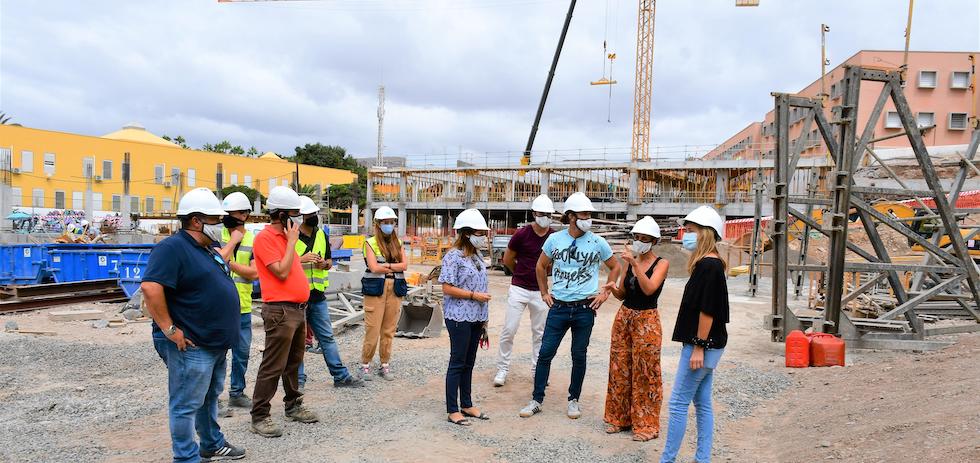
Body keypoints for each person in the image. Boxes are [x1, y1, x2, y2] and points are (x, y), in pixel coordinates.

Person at [142, 187, 246, 462]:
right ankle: (186, 457)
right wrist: (170, 330)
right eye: (215, 219)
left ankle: (211, 443)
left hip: (214, 342)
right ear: (197, 220)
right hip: (192, 344)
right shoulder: (172, 248)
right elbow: (151, 288)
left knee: (209, 398)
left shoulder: (207, 248)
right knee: (186, 404)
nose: (220, 224)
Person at [519, 192, 621, 420]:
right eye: (585, 214)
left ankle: (573, 400)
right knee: (545, 353)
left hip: (585, 308)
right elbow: (540, 266)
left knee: (579, 355)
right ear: (572, 216)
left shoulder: (597, 242)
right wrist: (544, 292)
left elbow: (615, 267)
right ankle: (537, 399)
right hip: (559, 307)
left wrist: (605, 292)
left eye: (589, 214)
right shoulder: (555, 240)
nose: (589, 218)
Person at [660, 206, 730, 463]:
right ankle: (703, 459)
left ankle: (667, 460)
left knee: (678, 403)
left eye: (690, 231)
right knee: (702, 403)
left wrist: (699, 345)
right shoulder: (710, 264)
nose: (686, 236)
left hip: (702, 345)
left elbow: (707, 310)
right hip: (708, 344)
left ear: (705, 234)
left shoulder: (708, 266)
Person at [249, 186, 319, 438]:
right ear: (281, 215)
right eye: (294, 214)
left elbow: (291, 266)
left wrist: (291, 243)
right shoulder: (265, 239)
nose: (299, 218)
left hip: (297, 309)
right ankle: (260, 415)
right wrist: (291, 243)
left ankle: (293, 405)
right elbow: (280, 270)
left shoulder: (286, 239)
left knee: (293, 363)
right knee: (273, 365)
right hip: (280, 310)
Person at [604, 216, 669, 442]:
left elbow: (650, 289)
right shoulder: (628, 262)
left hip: (647, 320)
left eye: (644, 239)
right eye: (637, 238)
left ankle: (646, 425)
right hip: (625, 317)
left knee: (646, 372)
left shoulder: (661, 263)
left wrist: (634, 264)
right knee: (620, 367)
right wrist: (612, 288)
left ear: (654, 241)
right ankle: (618, 418)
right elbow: (623, 293)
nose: (639, 242)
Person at [295, 196, 365, 389]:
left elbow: (328, 262)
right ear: (300, 216)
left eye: (314, 214)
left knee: (326, 337)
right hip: (298, 297)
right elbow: (284, 265)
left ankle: (340, 376)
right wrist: (302, 259)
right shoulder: (291, 238)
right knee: (298, 342)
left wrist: (323, 264)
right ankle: (298, 381)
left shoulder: (320, 235)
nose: (313, 217)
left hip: (317, 296)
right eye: (309, 214)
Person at [439, 209, 493, 426]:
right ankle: (452, 409)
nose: (484, 237)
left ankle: (467, 404)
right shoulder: (453, 256)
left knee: (469, 363)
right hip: (459, 316)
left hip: (476, 317)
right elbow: (446, 287)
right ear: (468, 233)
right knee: (457, 361)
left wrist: (484, 316)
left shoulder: (477, 256)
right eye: (481, 233)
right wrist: (473, 296)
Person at [494, 194, 554, 387]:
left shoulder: (553, 236)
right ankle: (502, 369)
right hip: (519, 288)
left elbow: (554, 264)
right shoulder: (522, 234)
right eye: (542, 213)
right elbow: (508, 259)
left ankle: (538, 371)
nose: (544, 217)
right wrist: (519, 273)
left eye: (548, 214)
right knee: (509, 330)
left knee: (540, 333)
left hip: (541, 291)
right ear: (534, 213)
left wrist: (543, 278)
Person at [217, 192, 259, 410]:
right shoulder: (215, 234)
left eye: (243, 212)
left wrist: (228, 263)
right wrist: (233, 241)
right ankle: (213, 398)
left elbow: (253, 274)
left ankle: (237, 392)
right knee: (217, 355)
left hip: (242, 304)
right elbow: (215, 262)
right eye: (236, 212)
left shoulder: (252, 238)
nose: (239, 216)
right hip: (219, 306)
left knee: (242, 353)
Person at [359, 206, 408, 381]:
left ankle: (384, 364)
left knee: (388, 330)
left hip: (394, 289)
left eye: (391, 222)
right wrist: (391, 266)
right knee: (372, 329)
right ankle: (365, 364)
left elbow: (404, 266)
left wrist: (386, 267)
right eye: (385, 222)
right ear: (378, 224)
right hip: (375, 289)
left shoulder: (399, 243)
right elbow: (374, 267)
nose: (389, 225)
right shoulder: (370, 243)